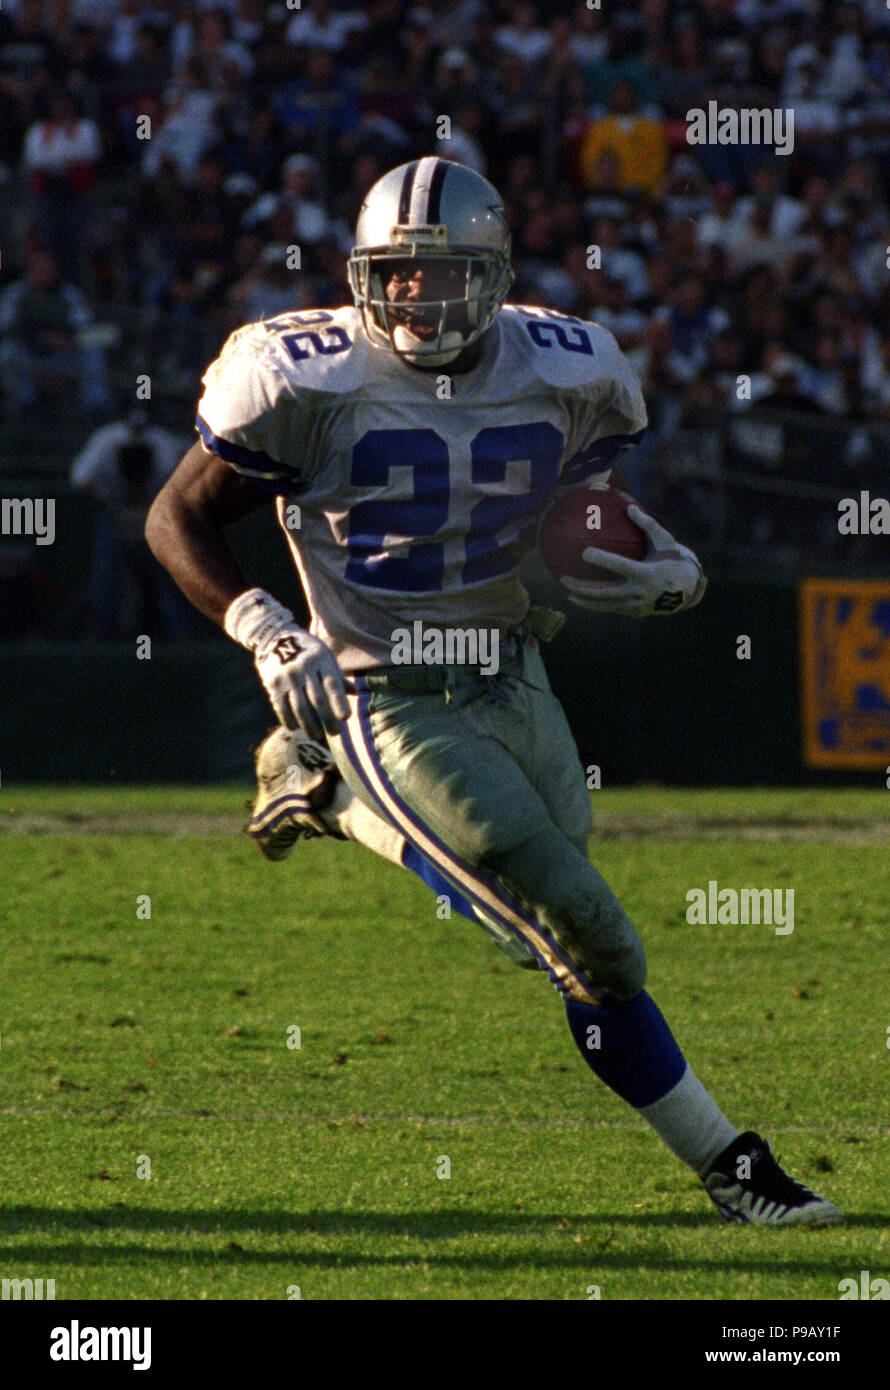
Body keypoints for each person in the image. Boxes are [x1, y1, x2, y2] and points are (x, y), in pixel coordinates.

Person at [146, 158, 840, 1227]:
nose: (420, 299)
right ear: (362, 277)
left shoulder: (563, 367)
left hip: (517, 674)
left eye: (445, 274)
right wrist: (263, 627)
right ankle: (733, 1169)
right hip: (388, 693)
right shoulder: (302, 374)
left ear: (497, 276)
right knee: (592, 939)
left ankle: (325, 800)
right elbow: (174, 516)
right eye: (398, 275)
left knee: (549, 944)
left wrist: (662, 568)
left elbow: (578, 524)